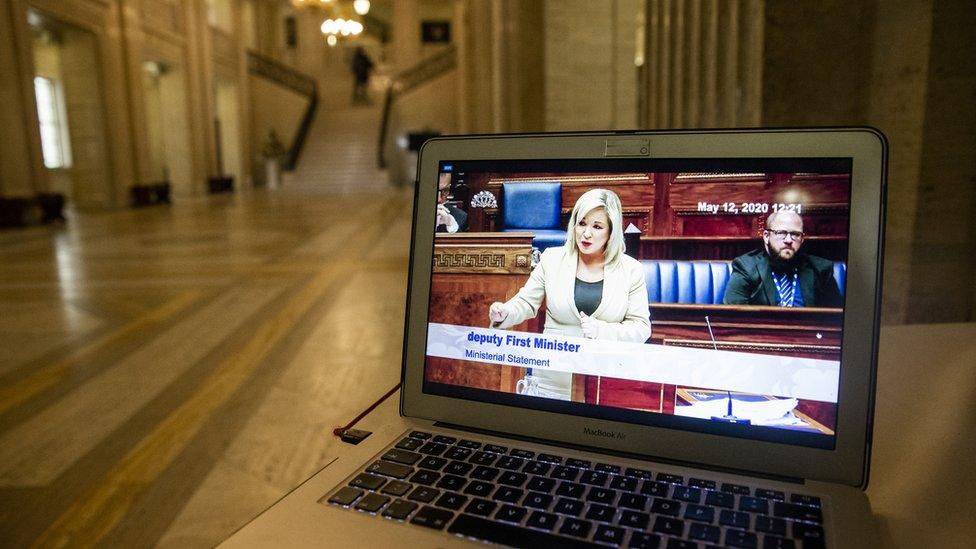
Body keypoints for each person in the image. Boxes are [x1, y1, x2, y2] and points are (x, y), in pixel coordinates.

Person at [487, 189, 651, 400]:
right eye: (581, 223)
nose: (586, 233)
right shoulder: (552, 259)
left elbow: (641, 328)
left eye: (597, 226)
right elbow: (526, 303)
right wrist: (505, 312)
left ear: (611, 231)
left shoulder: (631, 269)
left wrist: (602, 330)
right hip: (550, 382)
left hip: (603, 386)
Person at [723, 211, 843, 307]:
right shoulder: (746, 266)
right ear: (766, 236)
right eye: (781, 233)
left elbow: (834, 318)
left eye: (795, 234)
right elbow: (734, 315)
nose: (788, 240)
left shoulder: (821, 269)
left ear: (802, 239)